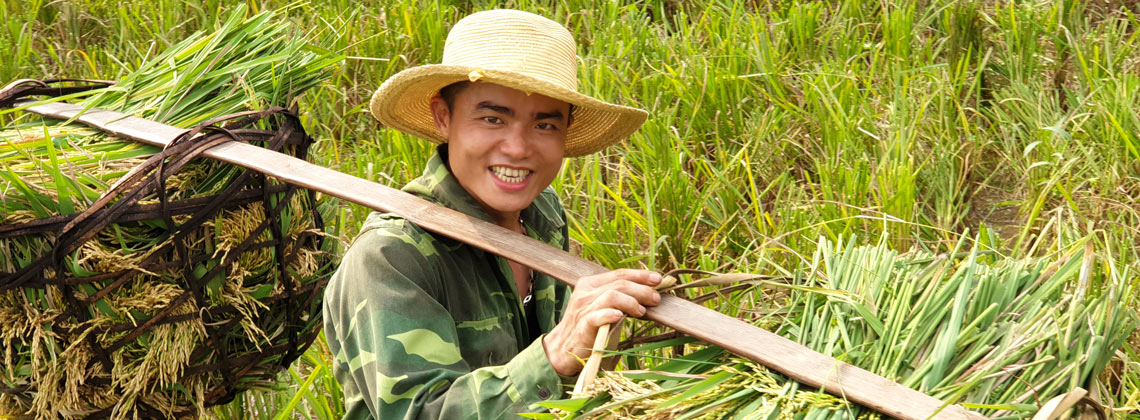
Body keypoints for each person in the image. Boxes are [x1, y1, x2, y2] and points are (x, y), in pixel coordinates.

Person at [322, 9, 661, 419]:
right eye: (492, 118)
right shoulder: (392, 257)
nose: (517, 148)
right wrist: (553, 355)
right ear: (443, 117)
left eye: (545, 125)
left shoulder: (542, 214)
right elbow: (419, 412)